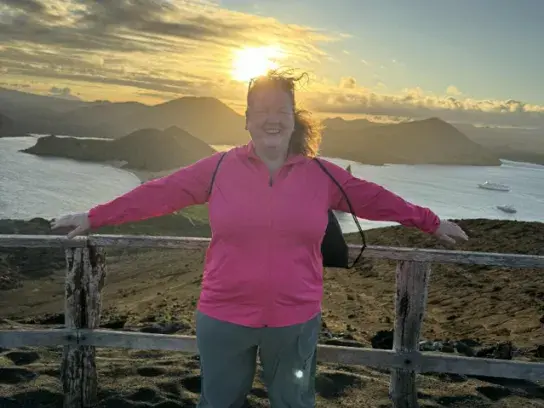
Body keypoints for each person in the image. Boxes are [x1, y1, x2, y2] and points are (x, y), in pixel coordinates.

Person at [51, 70, 468, 407]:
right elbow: (157, 194)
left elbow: (376, 199)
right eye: (262, 110)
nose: (272, 118)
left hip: (295, 321)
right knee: (219, 403)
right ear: (248, 119)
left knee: (294, 403)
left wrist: (430, 222)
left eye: (281, 110)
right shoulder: (217, 169)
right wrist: (93, 216)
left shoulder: (322, 175)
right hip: (223, 317)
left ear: (293, 118)